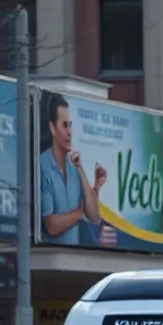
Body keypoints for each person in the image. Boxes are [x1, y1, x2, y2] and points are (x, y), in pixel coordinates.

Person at [39, 93, 105, 246]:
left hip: (73, 253)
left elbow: (94, 216)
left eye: (70, 125)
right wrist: (80, 212)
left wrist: (82, 171)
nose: (70, 132)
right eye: (64, 125)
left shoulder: (74, 166)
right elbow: (51, 225)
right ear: (52, 128)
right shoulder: (43, 165)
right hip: (50, 257)